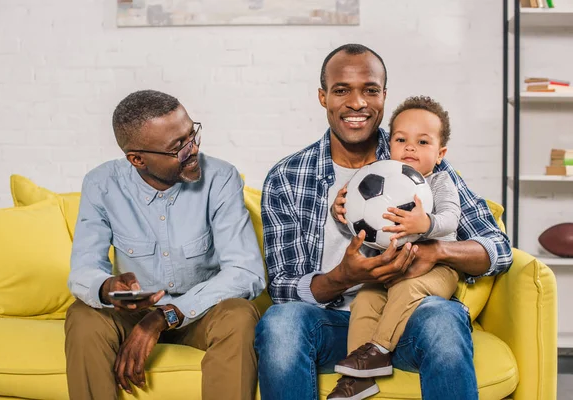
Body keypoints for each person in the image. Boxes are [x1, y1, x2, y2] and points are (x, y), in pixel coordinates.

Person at [255, 44, 512, 400]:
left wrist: (435, 250)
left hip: (408, 320)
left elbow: (498, 248)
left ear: (383, 97)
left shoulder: (416, 160)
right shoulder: (288, 177)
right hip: (331, 324)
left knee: (443, 316)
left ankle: (376, 357)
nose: (358, 103)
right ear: (323, 97)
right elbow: (282, 288)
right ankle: (358, 373)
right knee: (280, 324)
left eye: (370, 90)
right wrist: (343, 277)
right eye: (342, 90)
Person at [65, 90, 265, 400]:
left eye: (192, 135)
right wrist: (108, 288)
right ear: (137, 159)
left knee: (239, 314)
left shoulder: (220, 178)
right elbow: (83, 269)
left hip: (201, 311)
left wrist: (166, 315)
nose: (193, 149)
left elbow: (245, 271)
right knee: (82, 316)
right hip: (132, 311)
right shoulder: (101, 184)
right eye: (178, 147)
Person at [327, 96, 462, 399]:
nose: (410, 147)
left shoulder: (440, 183)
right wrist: (341, 211)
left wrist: (425, 223)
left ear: (440, 153)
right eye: (402, 139)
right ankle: (357, 377)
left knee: (405, 290)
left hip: (438, 271)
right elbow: (364, 229)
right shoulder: (381, 177)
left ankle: (378, 350)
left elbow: (451, 219)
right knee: (365, 299)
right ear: (390, 145)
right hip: (391, 271)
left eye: (423, 142)